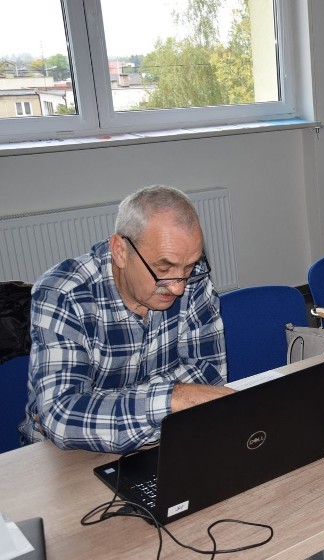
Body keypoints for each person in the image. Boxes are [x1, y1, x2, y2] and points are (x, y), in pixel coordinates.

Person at [19, 185, 233, 453]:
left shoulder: (191, 276)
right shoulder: (64, 293)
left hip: (166, 439)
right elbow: (62, 417)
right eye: (163, 269)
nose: (179, 287)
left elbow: (210, 375)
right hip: (62, 457)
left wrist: (105, 404)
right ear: (120, 250)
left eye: (188, 267)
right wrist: (172, 397)